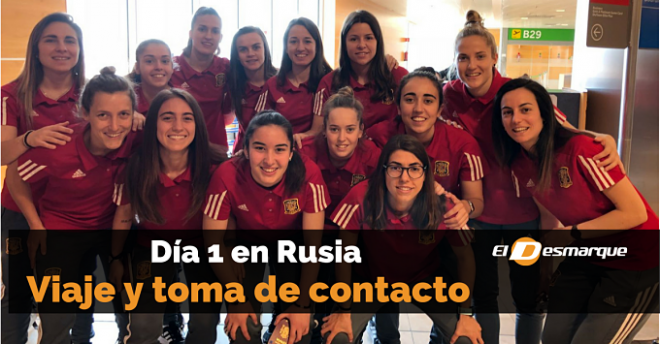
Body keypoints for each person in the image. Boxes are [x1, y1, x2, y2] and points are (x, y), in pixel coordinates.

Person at [440, 10, 621, 344]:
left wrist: (600, 137)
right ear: (455, 61)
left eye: (480, 56)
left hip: (526, 215)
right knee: (484, 298)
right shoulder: (448, 96)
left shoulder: (516, 93)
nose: (472, 65)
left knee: (528, 299)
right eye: (463, 58)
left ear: (495, 57)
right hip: (479, 217)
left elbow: (562, 128)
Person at [491, 78, 659, 344]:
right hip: (585, 256)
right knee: (554, 338)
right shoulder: (518, 163)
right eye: (507, 112)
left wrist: (572, 235)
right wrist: (544, 262)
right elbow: (548, 217)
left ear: (545, 114)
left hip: (636, 259)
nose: (516, 119)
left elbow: (635, 213)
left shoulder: (583, 150)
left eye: (525, 109)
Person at [7, 66, 138, 344]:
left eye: (123, 114)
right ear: (85, 114)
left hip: (111, 226)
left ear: (133, 116)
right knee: (57, 314)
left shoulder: (137, 141)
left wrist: (116, 258)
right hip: (61, 230)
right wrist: (35, 224)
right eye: (103, 115)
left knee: (131, 302)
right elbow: (15, 177)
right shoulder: (57, 146)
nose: (115, 126)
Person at [321, 134, 483, 344]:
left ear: (425, 174)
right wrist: (344, 308)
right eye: (395, 168)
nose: (404, 178)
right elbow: (343, 254)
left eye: (414, 169)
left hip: (425, 279)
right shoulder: (361, 196)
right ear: (383, 171)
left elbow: (466, 258)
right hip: (371, 280)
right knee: (338, 337)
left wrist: (466, 313)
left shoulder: (444, 205)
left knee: (464, 339)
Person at [110, 88, 226, 344]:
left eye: (187, 117)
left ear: (197, 124)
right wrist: (116, 258)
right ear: (153, 124)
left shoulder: (216, 167)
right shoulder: (137, 166)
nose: (177, 126)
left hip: (202, 246)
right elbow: (124, 215)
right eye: (167, 117)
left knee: (206, 326)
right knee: (142, 326)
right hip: (152, 244)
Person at [203, 110, 328, 344]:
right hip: (245, 243)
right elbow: (213, 243)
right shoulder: (226, 175)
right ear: (246, 150)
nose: (269, 160)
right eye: (260, 148)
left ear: (291, 153)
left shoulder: (309, 175)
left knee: (295, 332)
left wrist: (302, 304)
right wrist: (235, 298)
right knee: (243, 329)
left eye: (279, 149)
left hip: (292, 245)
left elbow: (313, 247)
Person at [316, 10, 408, 132]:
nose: (361, 45)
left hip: (390, 149)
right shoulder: (328, 83)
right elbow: (318, 132)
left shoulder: (398, 76)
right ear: (344, 43)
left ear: (378, 42)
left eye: (368, 38)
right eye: (354, 39)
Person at [299, 86, 381, 222]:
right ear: (324, 129)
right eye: (334, 129)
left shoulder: (372, 156)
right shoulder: (306, 152)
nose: (342, 138)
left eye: (350, 129)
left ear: (360, 131)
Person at [254, 17, 333, 148]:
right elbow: (258, 126)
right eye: (293, 41)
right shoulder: (272, 85)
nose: (300, 48)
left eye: (307, 41)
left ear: (317, 46)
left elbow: (319, 130)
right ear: (285, 47)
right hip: (278, 152)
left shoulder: (327, 83)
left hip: (318, 153)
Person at [171, 6, 230, 152]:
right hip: (180, 149)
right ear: (191, 33)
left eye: (215, 31)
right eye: (202, 29)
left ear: (220, 37)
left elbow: (259, 75)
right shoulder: (171, 67)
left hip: (216, 151)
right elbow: (137, 80)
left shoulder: (225, 67)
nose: (208, 36)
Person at [224, 26, 277, 155]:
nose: (250, 53)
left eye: (256, 47)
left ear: (265, 48)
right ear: (237, 56)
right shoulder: (235, 86)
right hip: (243, 155)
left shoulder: (282, 82)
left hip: (275, 154)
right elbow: (226, 120)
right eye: (243, 49)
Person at [127, 39, 174, 114]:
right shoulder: (126, 99)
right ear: (137, 67)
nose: (158, 67)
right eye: (149, 61)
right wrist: (126, 114)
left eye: (165, 61)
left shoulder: (183, 99)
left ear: (172, 67)